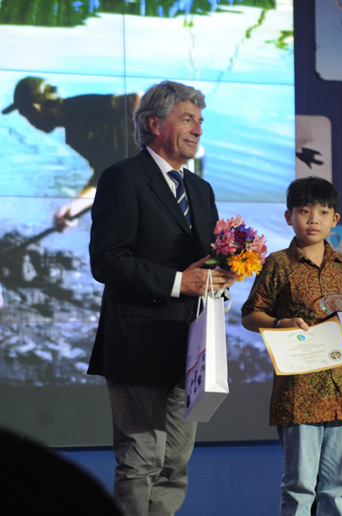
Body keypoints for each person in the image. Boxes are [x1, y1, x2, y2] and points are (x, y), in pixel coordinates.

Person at [87, 80, 236, 516]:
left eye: (200, 121)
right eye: (187, 119)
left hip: (188, 346)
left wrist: (219, 278)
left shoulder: (201, 190)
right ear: (154, 123)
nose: (197, 130)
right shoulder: (122, 178)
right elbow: (107, 261)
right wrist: (178, 282)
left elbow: (201, 265)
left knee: (174, 464)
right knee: (141, 461)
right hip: (136, 342)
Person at [241, 176, 342, 516]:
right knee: (300, 487)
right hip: (299, 390)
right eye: (304, 211)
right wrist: (278, 324)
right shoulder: (278, 263)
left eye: (323, 211)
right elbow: (250, 314)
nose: (313, 219)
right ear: (289, 217)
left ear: (336, 220)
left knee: (340, 487)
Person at [2, 76, 141, 229]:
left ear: (36, 108)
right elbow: (103, 178)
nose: (31, 124)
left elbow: (136, 99)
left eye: (25, 115)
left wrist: (145, 151)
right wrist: (73, 208)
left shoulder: (76, 107)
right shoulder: (74, 136)